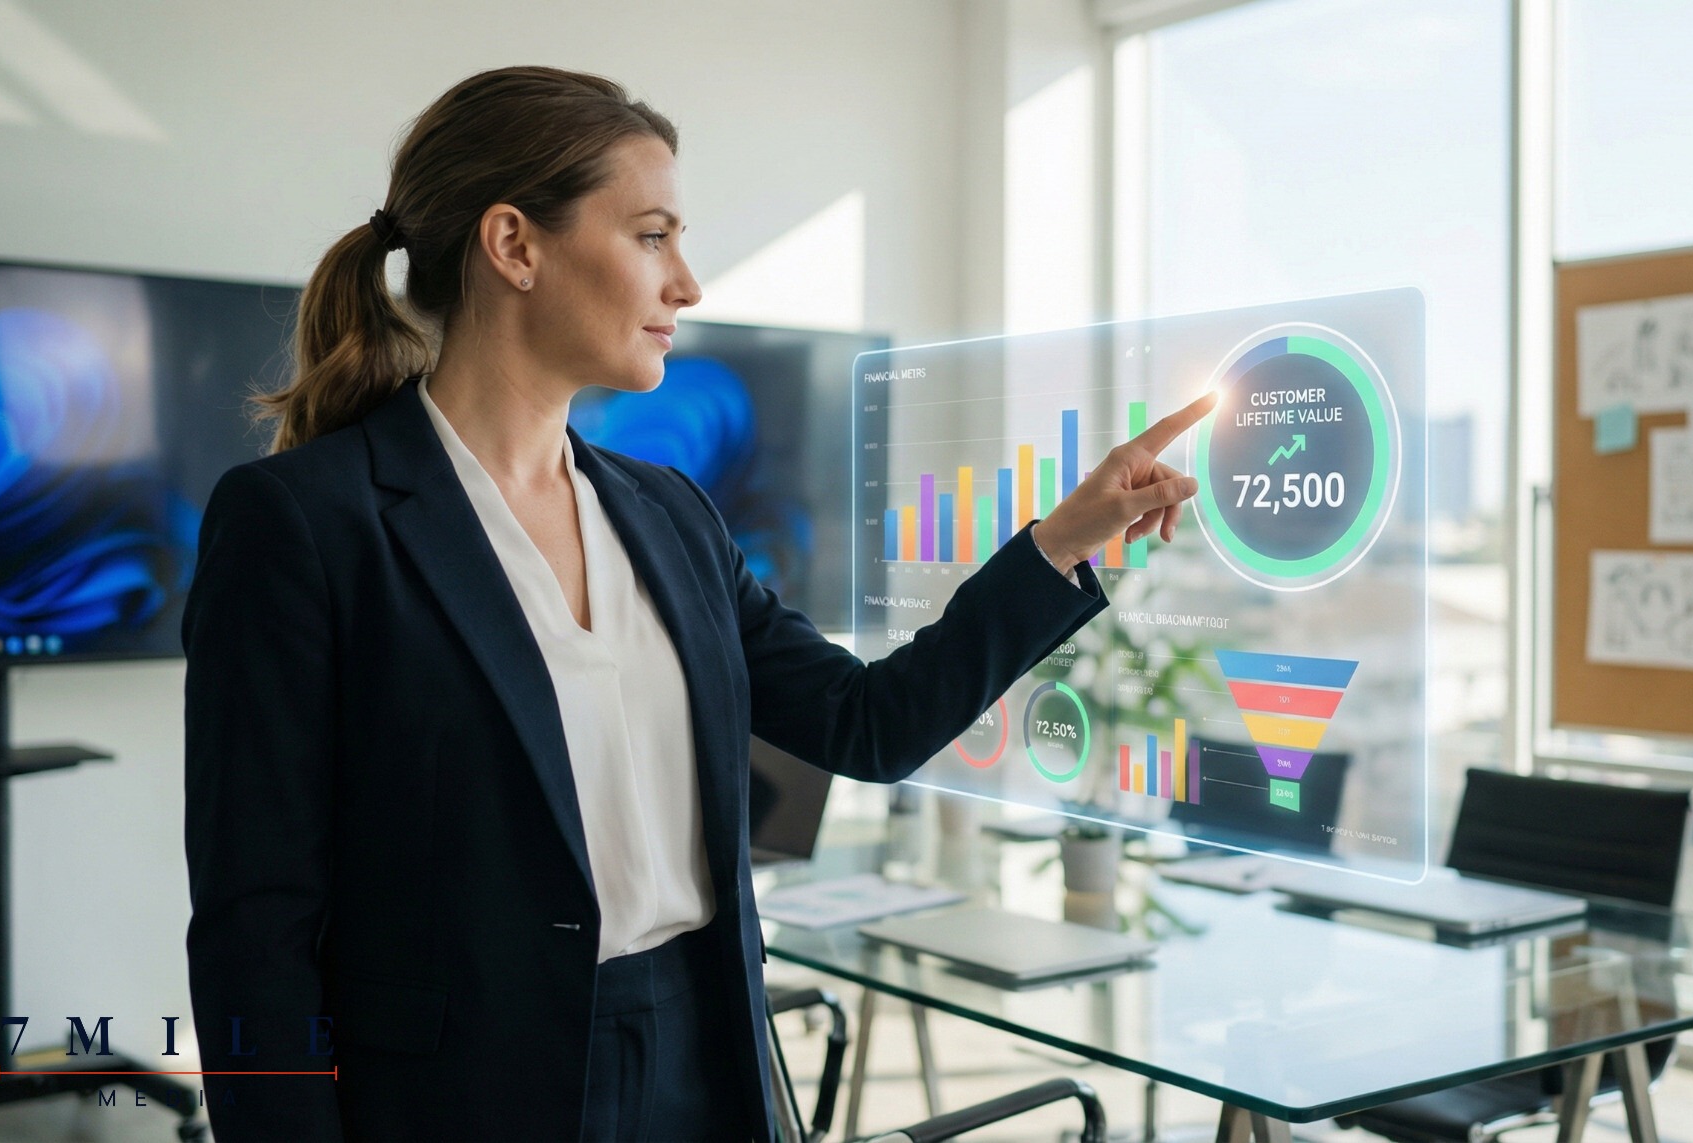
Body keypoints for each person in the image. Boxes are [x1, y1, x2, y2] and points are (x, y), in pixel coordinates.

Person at [181, 65, 1214, 1143]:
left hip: (702, 1057)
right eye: (651, 236)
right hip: (462, 1094)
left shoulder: (667, 513)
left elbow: (866, 723)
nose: (688, 283)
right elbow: (257, 924)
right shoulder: (301, 522)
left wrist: (1058, 545)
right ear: (513, 245)